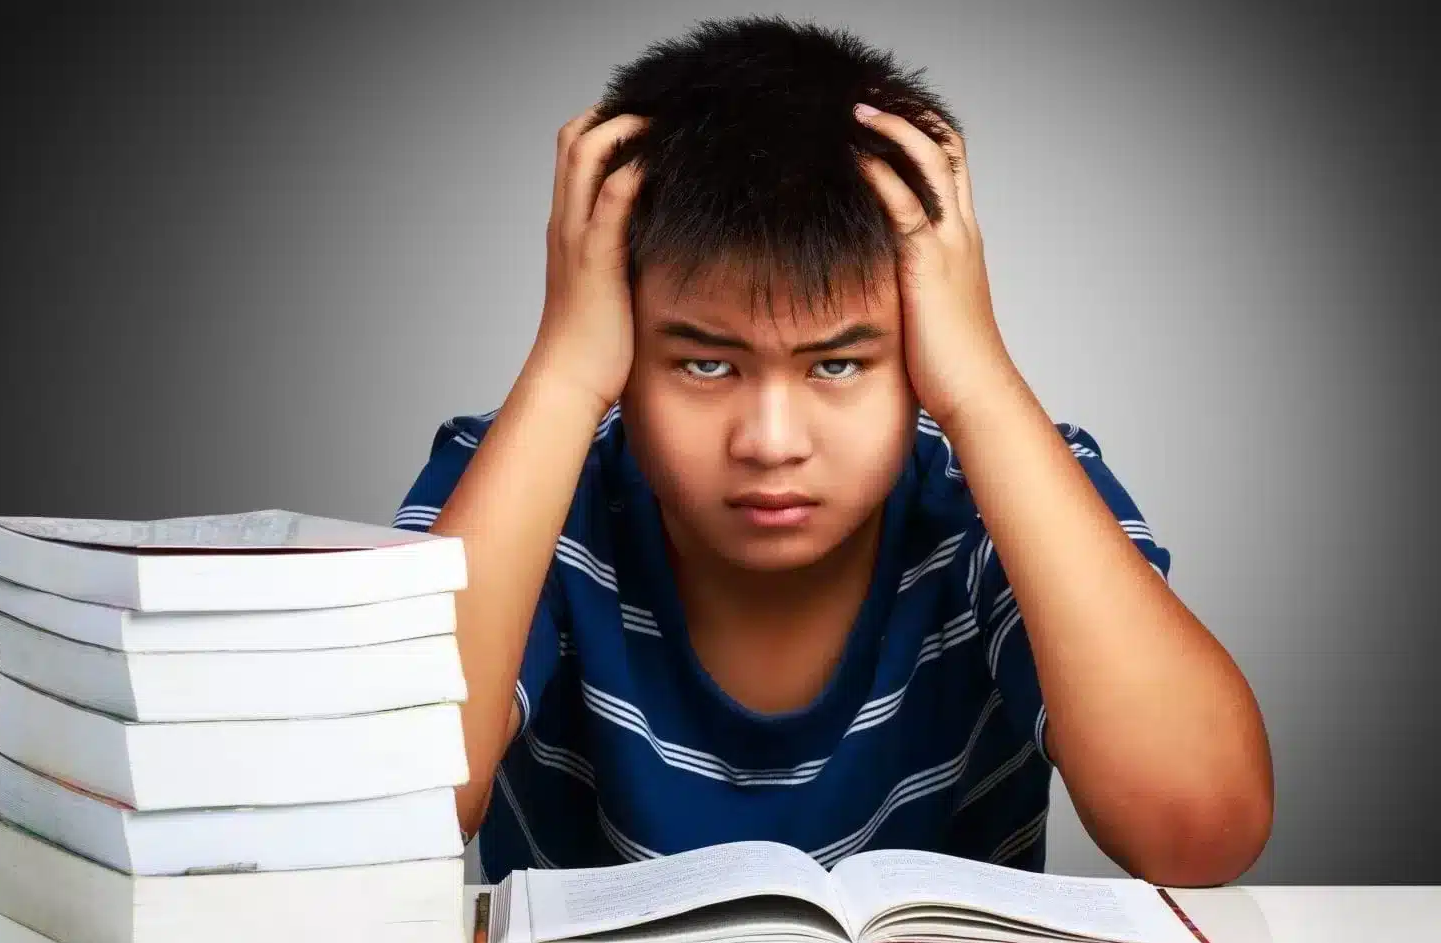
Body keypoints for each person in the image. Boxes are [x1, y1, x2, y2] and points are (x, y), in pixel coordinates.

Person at [393, 15, 1273, 887]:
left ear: (923, 345)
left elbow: (1200, 833)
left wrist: (979, 386)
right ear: (619, 345)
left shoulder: (1003, 487)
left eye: (840, 363)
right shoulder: (522, 475)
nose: (772, 442)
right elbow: (388, 822)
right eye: (704, 362)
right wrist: (560, 378)